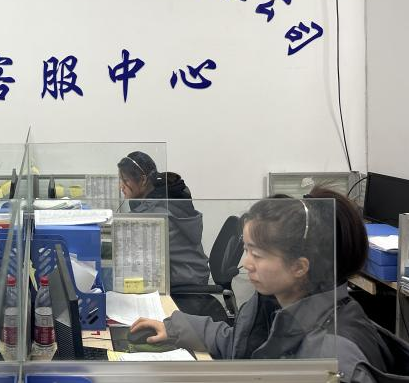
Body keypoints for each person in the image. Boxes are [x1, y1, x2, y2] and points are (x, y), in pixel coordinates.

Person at [130, 188, 390, 382]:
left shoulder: (334, 358)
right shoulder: (274, 302)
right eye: (246, 249)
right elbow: (237, 344)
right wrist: (174, 328)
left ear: (299, 267)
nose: (245, 263)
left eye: (257, 254)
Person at [117, 151, 209, 287]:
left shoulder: (157, 213)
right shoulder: (163, 201)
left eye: (125, 180)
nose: (121, 186)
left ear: (143, 180)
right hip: (188, 274)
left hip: (185, 282)